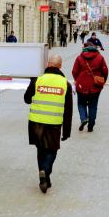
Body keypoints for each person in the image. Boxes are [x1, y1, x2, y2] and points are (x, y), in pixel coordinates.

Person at [24, 55, 73, 193]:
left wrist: (31, 83)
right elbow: (68, 110)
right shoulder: (65, 83)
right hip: (54, 124)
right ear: (60, 66)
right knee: (52, 150)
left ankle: (44, 178)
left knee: (41, 150)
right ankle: (45, 171)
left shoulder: (38, 79)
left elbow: (27, 99)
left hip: (36, 122)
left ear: (47, 64)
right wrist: (67, 131)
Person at [72, 44, 109, 132]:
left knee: (81, 103)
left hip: (82, 85)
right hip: (95, 86)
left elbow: (74, 71)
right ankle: (91, 126)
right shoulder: (100, 57)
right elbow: (105, 71)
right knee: (93, 106)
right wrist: (102, 81)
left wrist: (78, 80)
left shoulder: (79, 58)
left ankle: (84, 118)